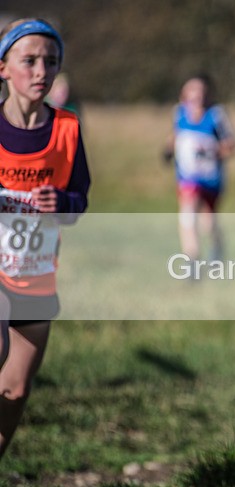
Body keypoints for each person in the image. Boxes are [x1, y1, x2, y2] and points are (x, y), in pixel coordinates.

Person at [0, 18, 90, 458]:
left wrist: (63, 204)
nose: (41, 71)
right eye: (29, 60)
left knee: (15, 391)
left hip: (35, 275)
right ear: (3, 68)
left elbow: (80, 202)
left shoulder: (68, 129)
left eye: (50, 62)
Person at [164, 74, 235, 266]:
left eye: (201, 92)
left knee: (208, 224)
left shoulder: (217, 115)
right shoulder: (179, 113)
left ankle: (218, 245)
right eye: (192, 92)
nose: (197, 97)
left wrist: (211, 150)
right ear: (184, 95)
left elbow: (231, 145)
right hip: (188, 177)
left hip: (211, 178)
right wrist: (168, 150)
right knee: (188, 213)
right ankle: (191, 261)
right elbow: (175, 135)